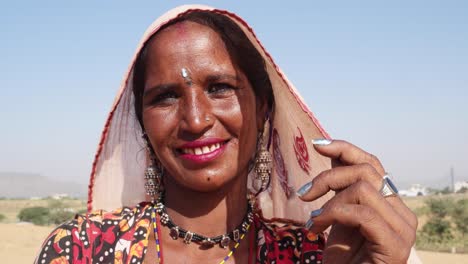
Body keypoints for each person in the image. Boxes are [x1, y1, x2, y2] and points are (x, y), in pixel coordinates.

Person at [35, 5, 419, 264]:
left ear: (263, 108)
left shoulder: (316, 255)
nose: (196, 120)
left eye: (219, 87)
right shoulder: (83, 250)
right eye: (166, 97)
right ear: (143, 124)